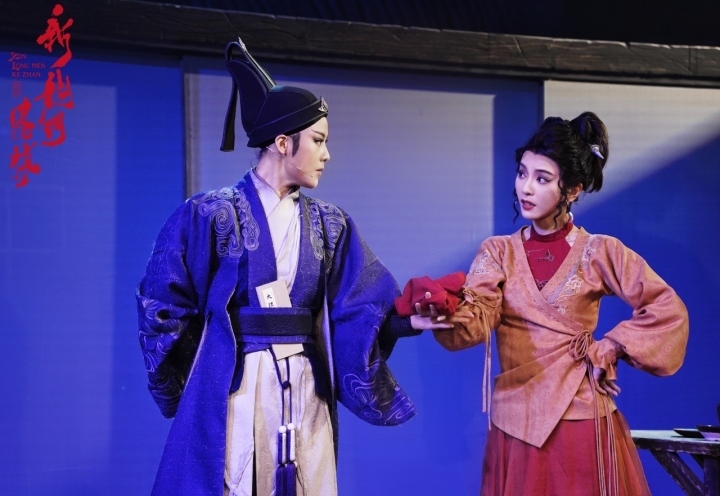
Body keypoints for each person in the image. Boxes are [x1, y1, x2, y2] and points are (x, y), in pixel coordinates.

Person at [136, 39, 449, 496]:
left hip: (306, 386)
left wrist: (405, 322)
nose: (326, 154)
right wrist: (193, 378)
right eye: (318, 141)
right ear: (283, 143)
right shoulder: (210, 214)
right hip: (237, 388)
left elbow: (360, 307)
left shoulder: (330, 224)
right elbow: (163, 303)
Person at [427, 111, 689, 495]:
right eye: (522, 173)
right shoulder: (498, 252)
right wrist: (443, 313)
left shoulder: (600, 251)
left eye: (542, 179)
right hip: (518, 419)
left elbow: (667, 308)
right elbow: (477, 319)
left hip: (581, 416)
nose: (526, 188)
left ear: (573, 190)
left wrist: (613, 345)